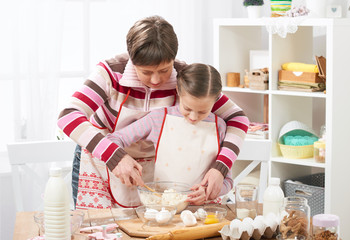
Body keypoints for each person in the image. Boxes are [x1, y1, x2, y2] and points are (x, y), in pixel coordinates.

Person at [57, 15, 249, 209]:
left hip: (156, 169)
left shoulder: (184, 77)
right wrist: (115, 156)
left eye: (164, 70)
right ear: (132, 60)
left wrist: (220, 168)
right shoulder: (111, 73)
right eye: (146, 72)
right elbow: (68, 116)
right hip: (104, 160)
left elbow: (238, 120)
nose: (156, 80)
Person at [106, 63, 232, 205]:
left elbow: (228, 180)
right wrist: (122, 159)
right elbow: (114, 138)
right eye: (187, 108)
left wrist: (209, 192)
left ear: (215, 100)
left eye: (203, 111)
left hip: (205, 211)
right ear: (178, 91)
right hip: (163, 209)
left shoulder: (220, 127)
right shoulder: (159, 118)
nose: (193, 117)